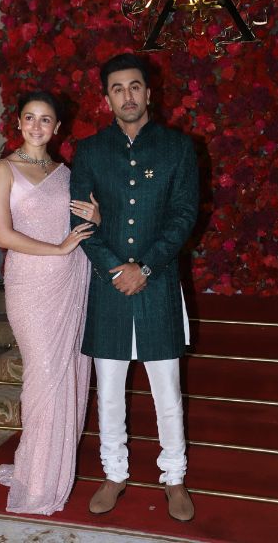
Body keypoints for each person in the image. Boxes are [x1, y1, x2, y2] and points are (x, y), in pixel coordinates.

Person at [70, 53, 199, 522]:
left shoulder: (177, 148)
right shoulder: (89, 152)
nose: (128, 95)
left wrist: (143, 266)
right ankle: (114, 474)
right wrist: (114, 268)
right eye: (118, 88)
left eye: (135, 86)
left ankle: (175, 477)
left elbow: (183, 215)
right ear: (107, 98)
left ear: (149, 92)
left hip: (158, 283)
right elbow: (79, 220)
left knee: (168, 391)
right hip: (108, 288)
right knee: (108, 390)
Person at [0, 90, 101, 515]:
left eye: (46, 119)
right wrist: (57, 248)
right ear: (18, 123)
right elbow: (3, 235)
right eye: (30, 118)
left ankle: (46, 469)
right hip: (30, 284)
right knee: (44, 375)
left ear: (57, 128)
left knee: (70, 371)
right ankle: (37, 479)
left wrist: (96, 219)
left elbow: (84, 222)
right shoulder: (3, 170)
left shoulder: (66, 173)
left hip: (71, 280)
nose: (37, 126)